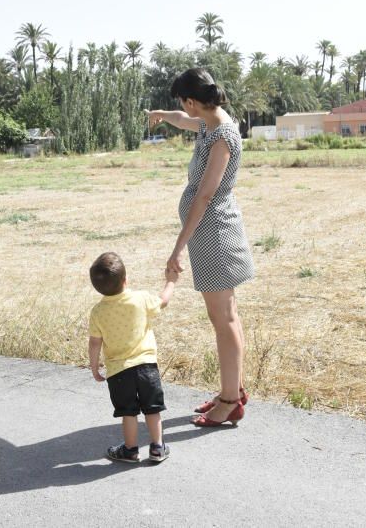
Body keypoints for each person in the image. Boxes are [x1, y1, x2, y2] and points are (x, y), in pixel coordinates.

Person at [146, 68, 254, 427]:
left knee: (223, 321)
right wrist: (162, 115)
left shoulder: (221, 135)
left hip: (215, 236)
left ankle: (230, 401)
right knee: (226, 318)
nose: (180, 108)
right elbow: (181, 119)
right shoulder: (210, 122)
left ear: (194, 101)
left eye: (182, 102)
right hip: (212, 235)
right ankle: (232, 391)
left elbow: (205, 196)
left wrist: (179, 247)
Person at [88, 251, 177, 462]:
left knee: (128, 413)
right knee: (152, 409)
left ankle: (130, 449)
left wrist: (94, 368)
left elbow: (94, 343)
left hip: (118, 372)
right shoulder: (141, 298)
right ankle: (157, 447)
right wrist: (171, 281)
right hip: (147, 366)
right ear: (125, 280)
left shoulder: (98, 312)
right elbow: (163, 301)